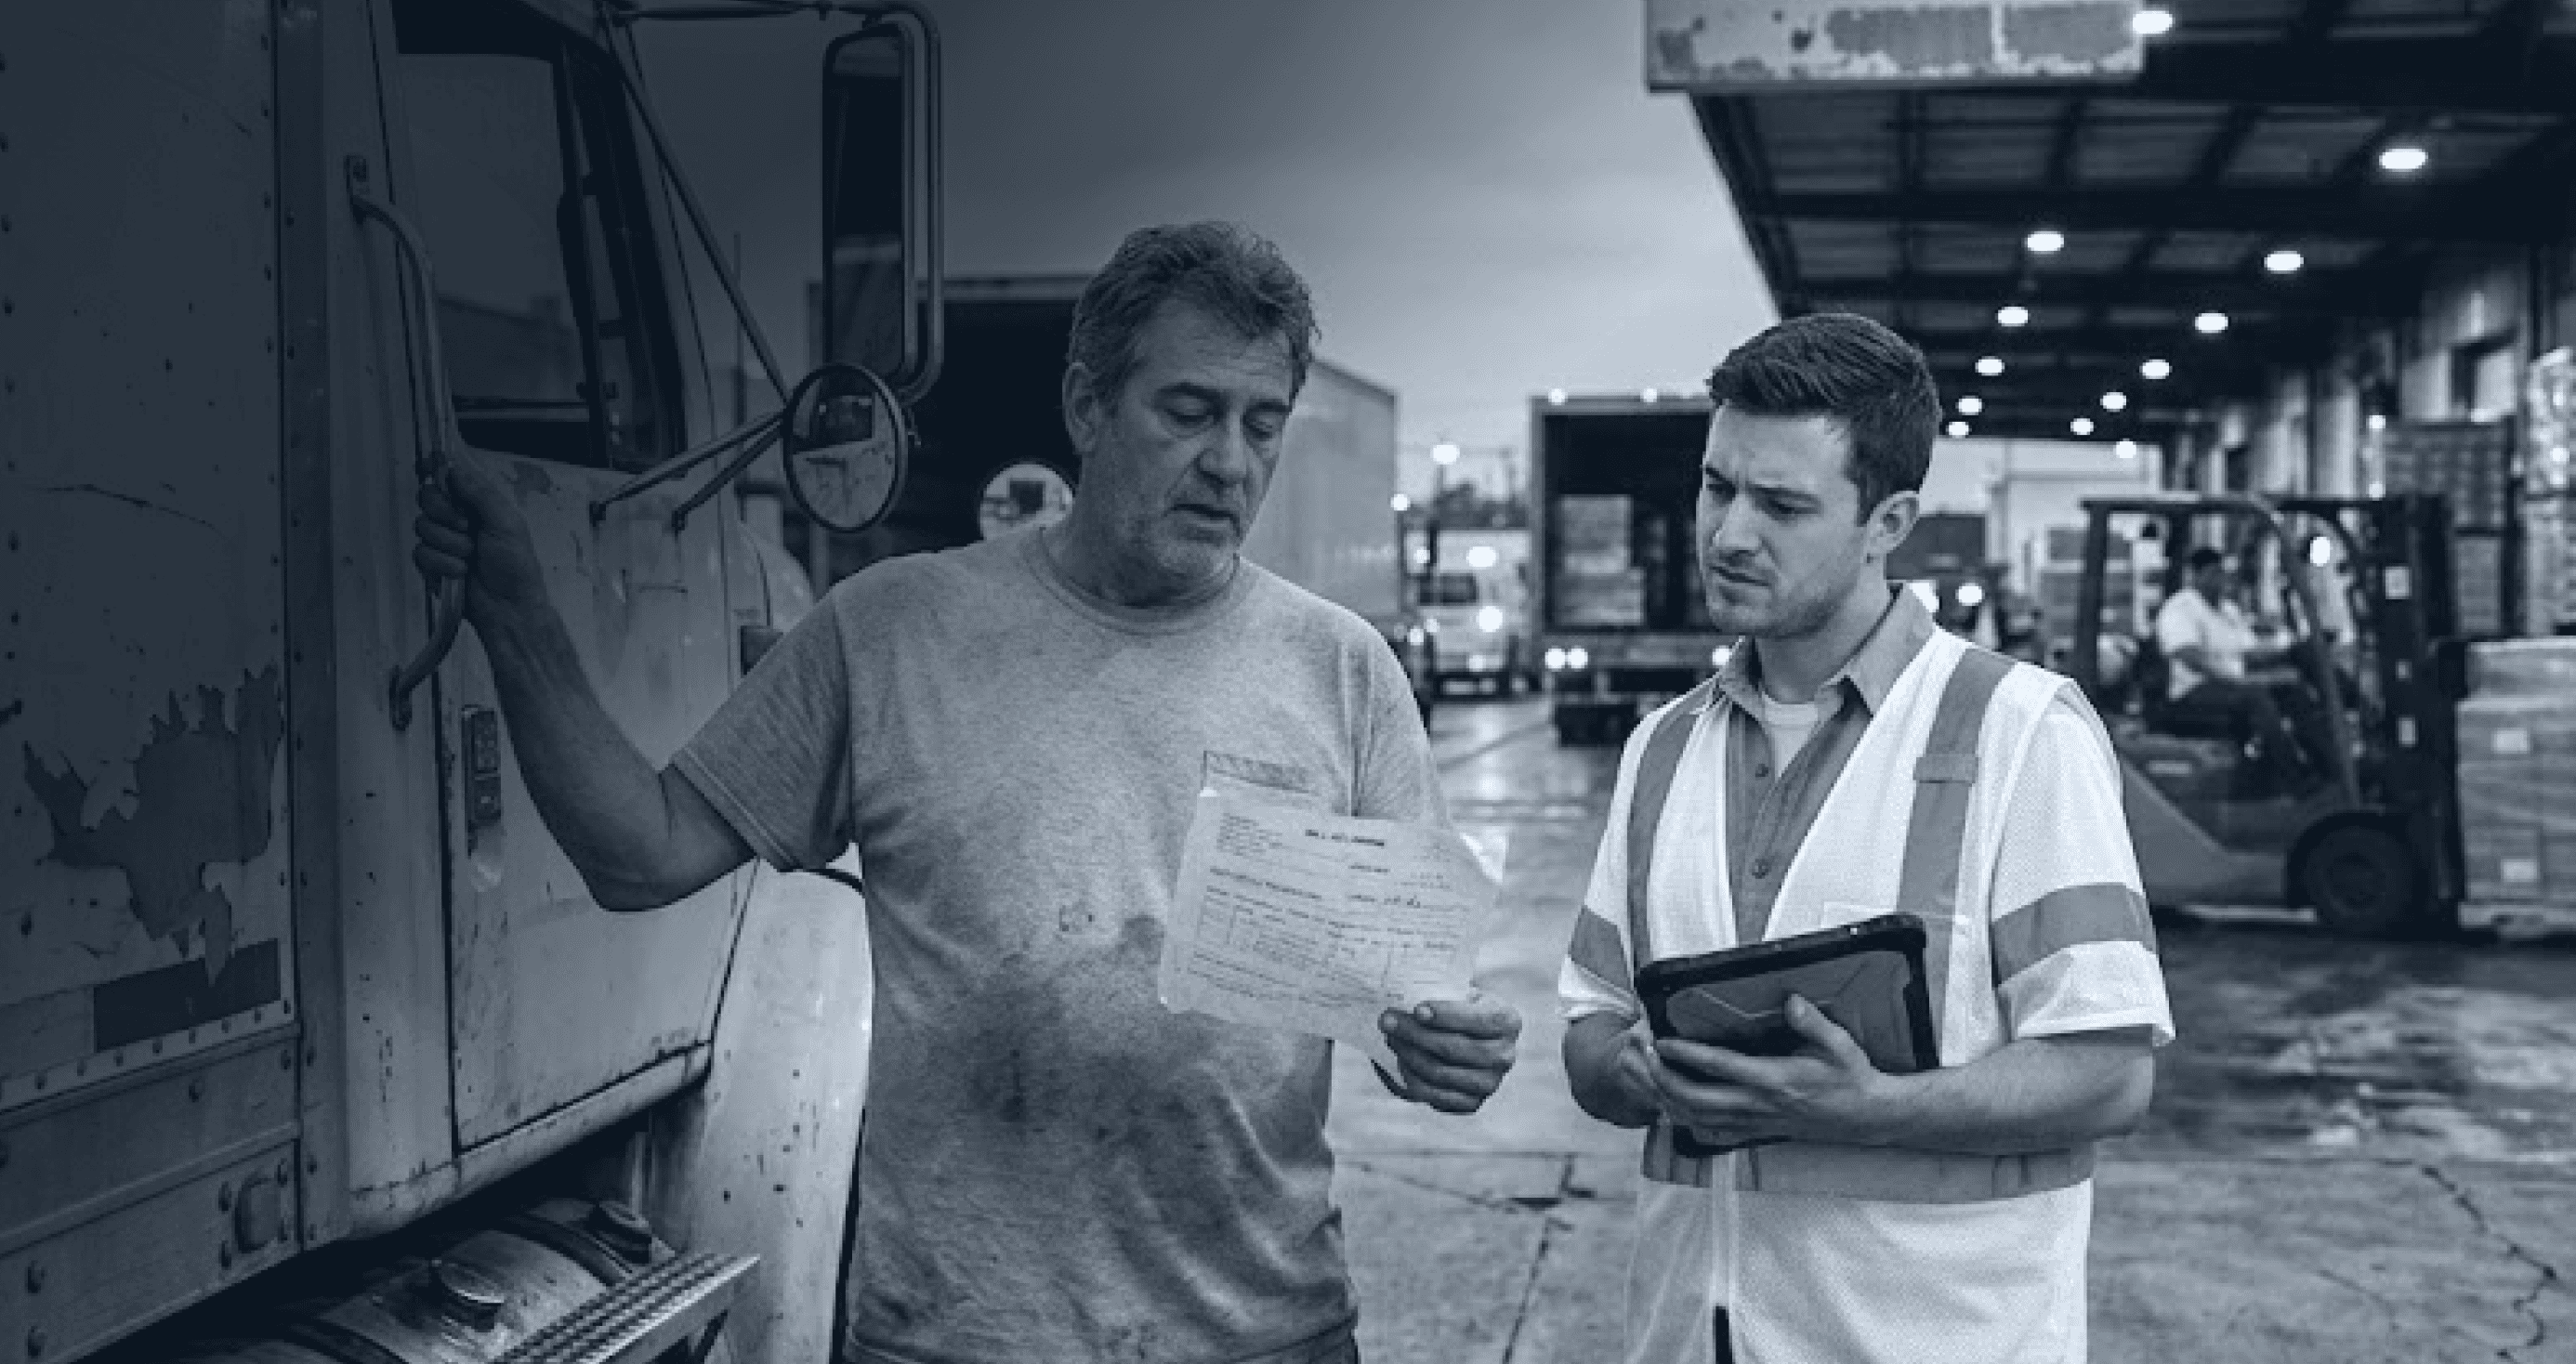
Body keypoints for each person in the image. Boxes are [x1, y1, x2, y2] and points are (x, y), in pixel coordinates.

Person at [414, 221, 1520, 1364]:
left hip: (1264, 1332)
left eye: (1262, 422)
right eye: (1188, 412)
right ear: (1088, 407)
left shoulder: (1343, 669)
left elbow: (1410, 1005)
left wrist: (1447, 1048)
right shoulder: (891, 632)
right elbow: (638, 851)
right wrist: (517, 616)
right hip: (953, 1340)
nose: (1231, 461)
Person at [1557, 313, 2174, 1364]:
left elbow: (2110, 1073)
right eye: (1718, 486)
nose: (1729, 534)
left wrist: (1872, 1108)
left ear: (1888, 521)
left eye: (1783, 504)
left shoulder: (2022, 734)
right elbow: (1588, 1037)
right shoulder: (1663, 747)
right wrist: (1642, 1070)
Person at [2153, 546, 2331, 791]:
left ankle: (2328, 764)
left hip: (2232, 684)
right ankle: (2294, 779)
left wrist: (2289, 652)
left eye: (2221, 572)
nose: (2220, 579)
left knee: (2293, 689)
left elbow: (2250, 652)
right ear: (2196, 575)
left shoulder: (2229, 611)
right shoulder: (2181, 608)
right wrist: (2239, 680)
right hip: (2194, 692)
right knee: (2257, 700)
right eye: (2213, 573)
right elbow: (2188, 655)